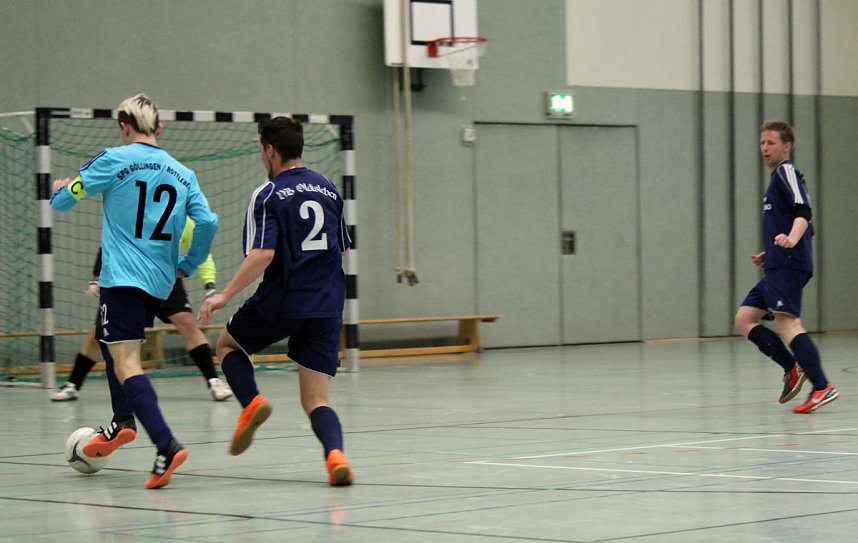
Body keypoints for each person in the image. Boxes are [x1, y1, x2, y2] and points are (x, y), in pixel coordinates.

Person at [50, 93, 218, 488]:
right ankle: (121, 421)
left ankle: (166, 444)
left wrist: (63, 187)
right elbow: (208, 222)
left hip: (123, 278)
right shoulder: (183, 173)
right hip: (161, 281)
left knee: (126, 361)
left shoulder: (114, 158)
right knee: (115, 345)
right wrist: (189, 265)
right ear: (158, 128)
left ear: (124, 126)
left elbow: (62, 202)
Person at [197, 116, 353, 486]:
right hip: (328, 303)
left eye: (260, 151)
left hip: (284, 297)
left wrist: (224, 295)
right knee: (316, 400)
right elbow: (341, 250)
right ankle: (335, 456)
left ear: (270, 150)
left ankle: (251, 402)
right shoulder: (329, 189)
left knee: (228, 345)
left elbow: (263, 254)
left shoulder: (267, 194)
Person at [734, 120, 837, 414]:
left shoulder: (786, 172)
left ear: (786, 146)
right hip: (778, 262)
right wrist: (771, 251)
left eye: (771, 143)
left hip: (789, 264)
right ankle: (792, 368)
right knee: (744, 319)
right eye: (762, 143)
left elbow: (804, 211)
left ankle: (822, 386)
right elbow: (791, 220)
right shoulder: (775, 180)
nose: (765, 148)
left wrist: (791, 240)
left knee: (788, 323)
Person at [51, 235, 233, 402]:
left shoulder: (177, 213)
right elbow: (109, 242)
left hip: (162, 273)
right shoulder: (126, 210)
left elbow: (200, 246)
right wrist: (97, 278)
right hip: (127, 278)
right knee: (99, 333)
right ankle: (73, 384)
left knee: (186, 321)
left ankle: (214, 380)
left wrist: (209, 284)